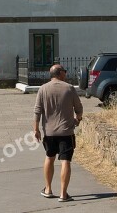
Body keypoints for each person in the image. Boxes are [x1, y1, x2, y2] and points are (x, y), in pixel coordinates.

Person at [33, 63, 83, 203]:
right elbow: (79, 108)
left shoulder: (43, 89)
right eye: (65, 71)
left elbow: (37, 111)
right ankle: (63, 193)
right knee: (65, 161)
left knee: (49, 157)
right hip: (66, 132)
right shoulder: (69, 88)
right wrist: (78, 119)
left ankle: (48, 189)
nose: (66, 73)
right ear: (60, 73)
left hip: (49, 132)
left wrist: (36, 129)